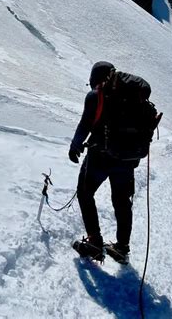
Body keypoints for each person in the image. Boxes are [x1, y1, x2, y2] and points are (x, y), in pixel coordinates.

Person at [69, 61, 137, 264]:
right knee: (122, 202)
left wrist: (75, 146)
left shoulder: (96, 95)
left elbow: (85, 124)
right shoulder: (132, 98)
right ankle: (122, 248)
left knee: (85, 192)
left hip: (100, 157)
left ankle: (94, 243)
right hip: (126, 160)